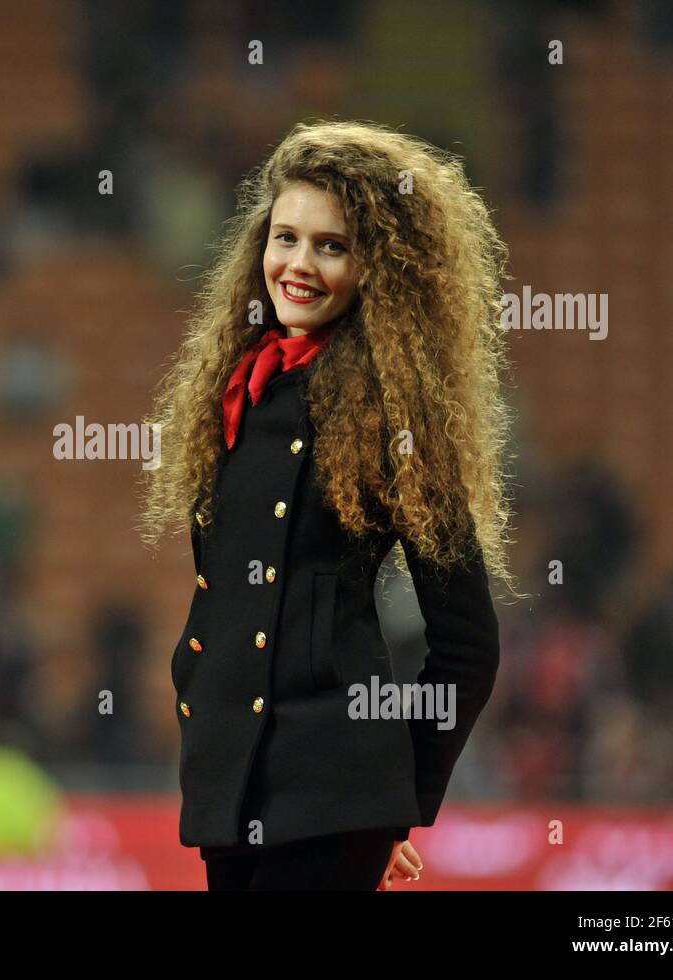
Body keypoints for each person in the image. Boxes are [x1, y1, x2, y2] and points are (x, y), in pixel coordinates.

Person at [139, 118, 520, 890]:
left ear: (380, 267)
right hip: (227, 790)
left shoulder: (401, 413)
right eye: (285, 238)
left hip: (329, 803)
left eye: (332, 245)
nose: (298, 265)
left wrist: (393, 802)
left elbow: (468, 648)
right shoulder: (237, 390)